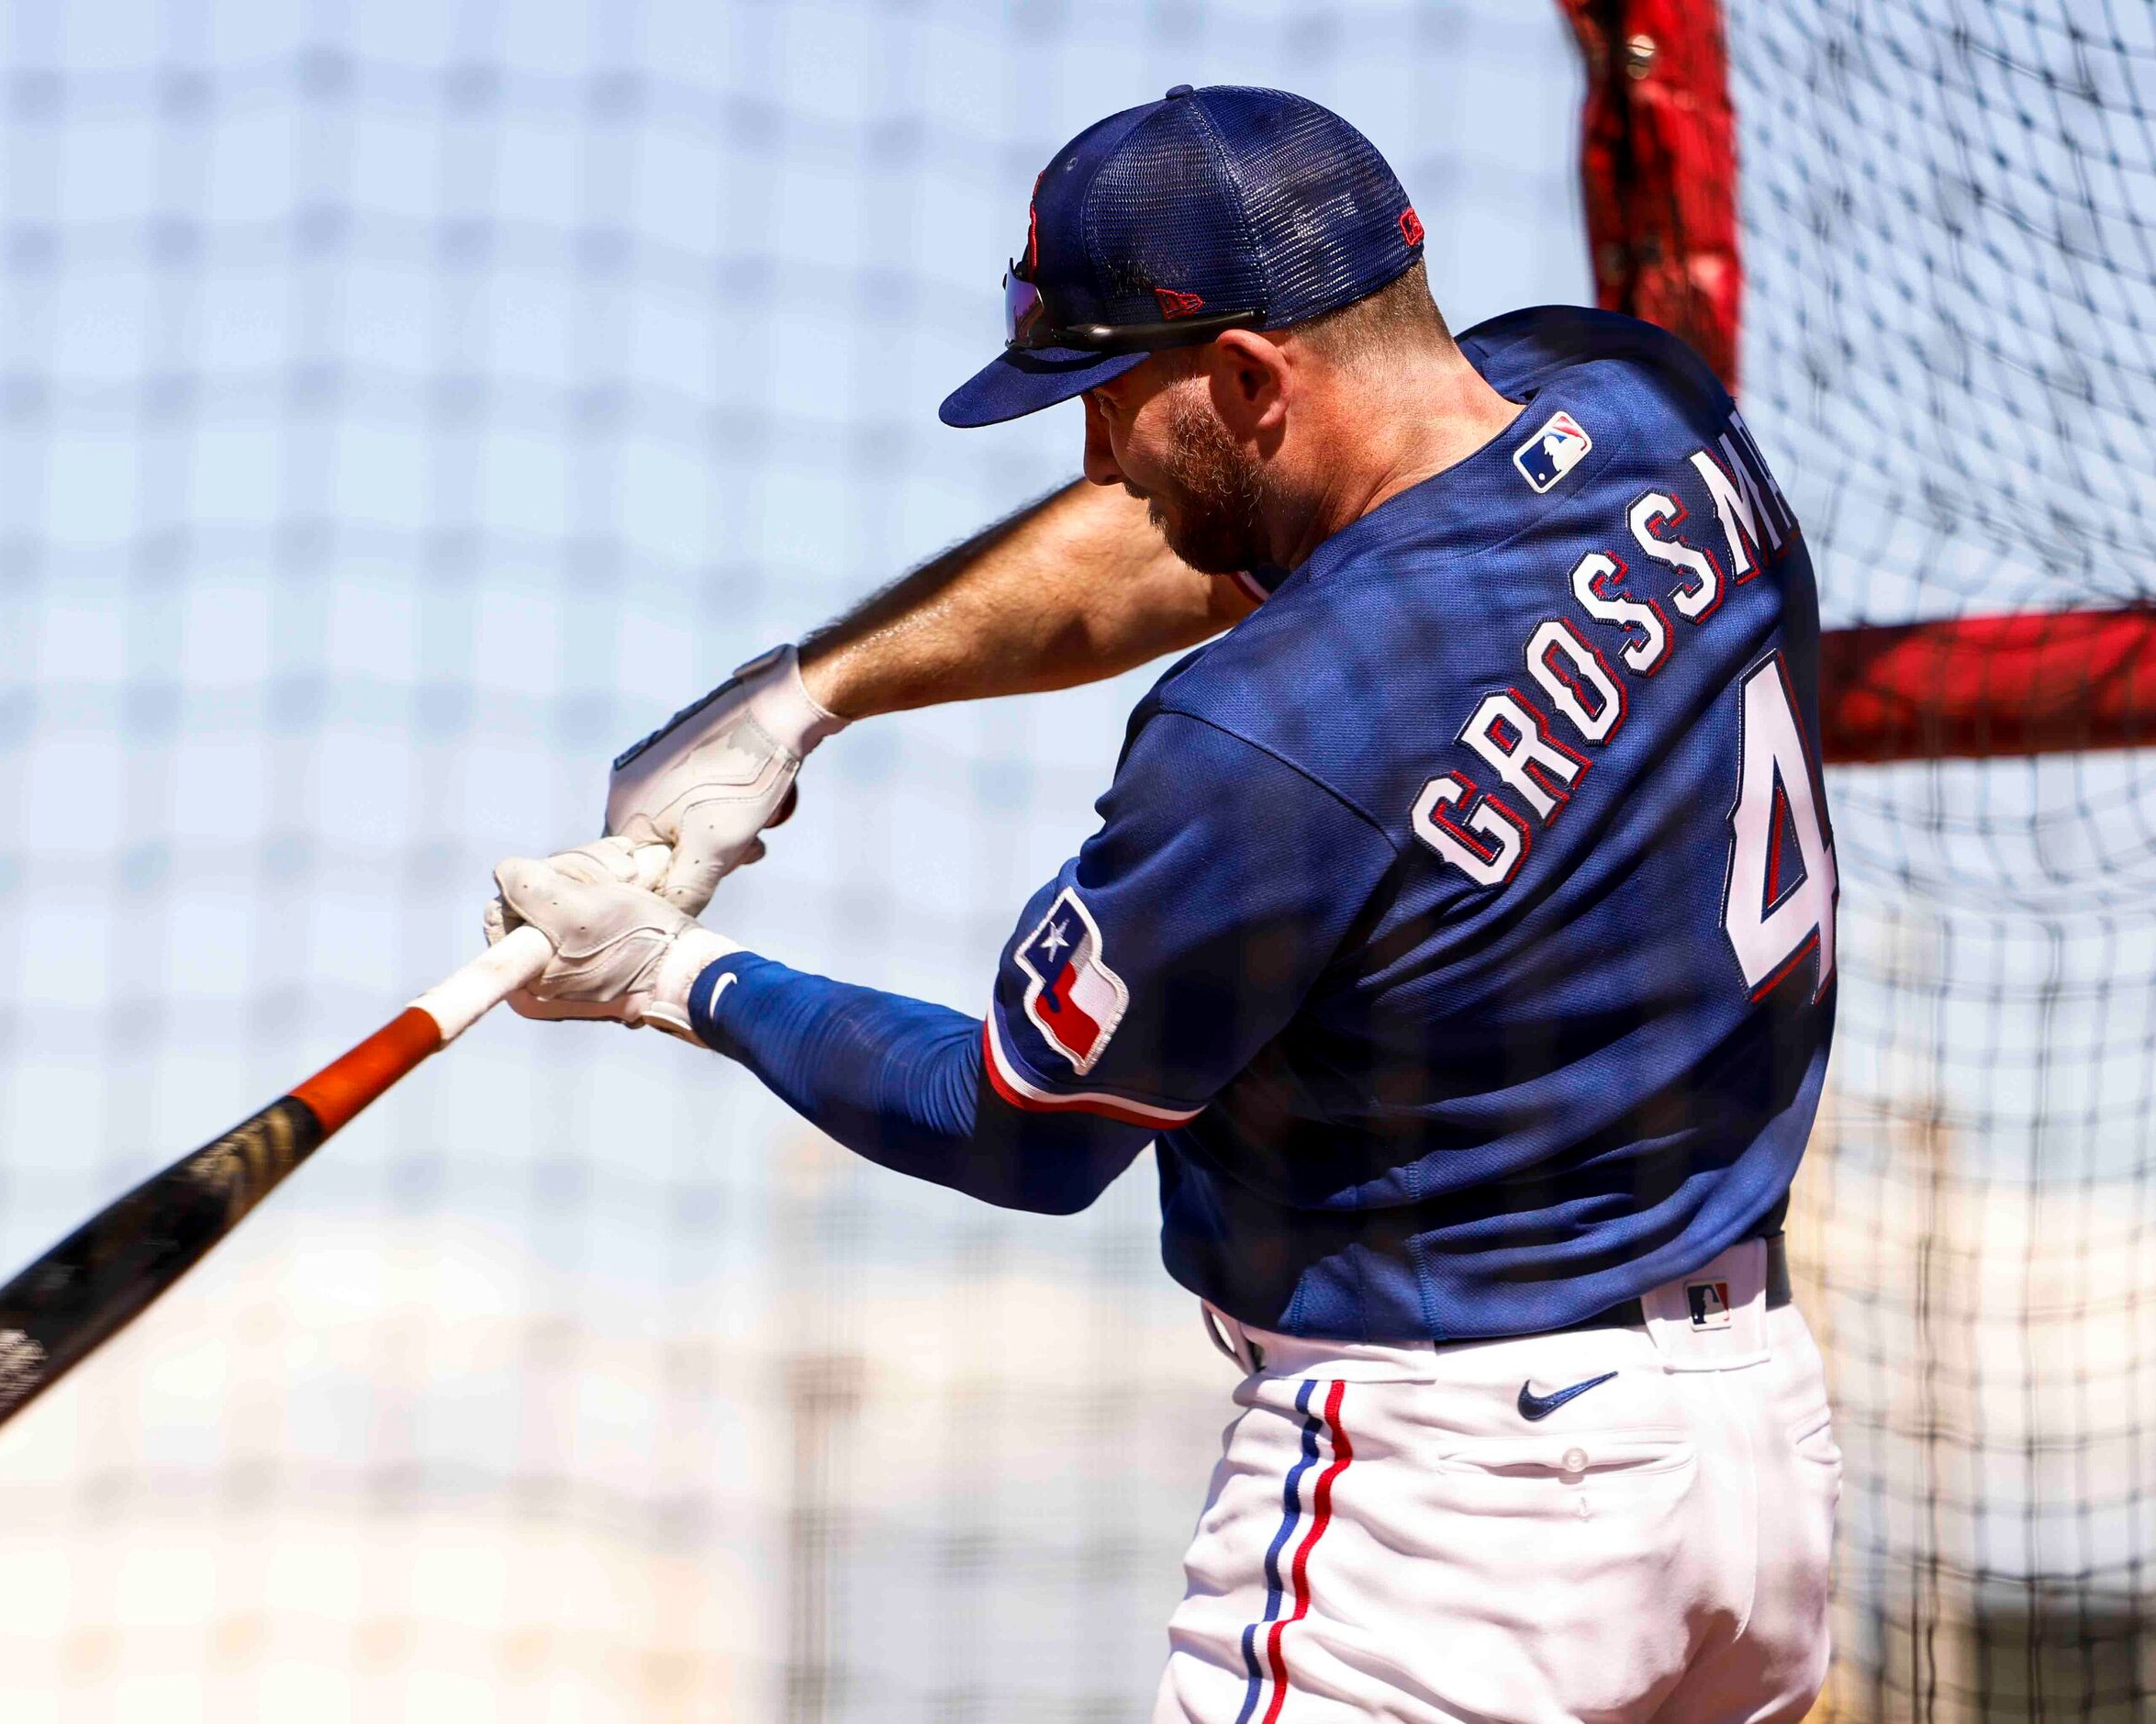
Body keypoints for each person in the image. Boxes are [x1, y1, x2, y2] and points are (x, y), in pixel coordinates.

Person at [486, 84, 1841, 1722]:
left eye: (1109, 396)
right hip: (1754, 1477)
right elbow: (1220, 550)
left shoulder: (1268, 733)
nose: (1095, 455)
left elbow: (1020, 1127)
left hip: (1453, 1518)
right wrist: (799, 701)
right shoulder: (1637, 401)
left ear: (1255, 380)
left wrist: (677, 975)